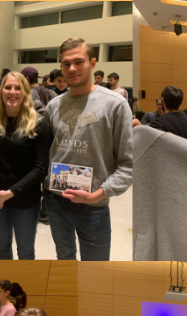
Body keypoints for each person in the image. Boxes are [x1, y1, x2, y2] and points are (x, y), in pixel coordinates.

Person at [42, 39, 134, 260]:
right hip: (55, 198)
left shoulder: (115, 105)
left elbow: (129, 164)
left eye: (78, 62)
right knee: (64, 258)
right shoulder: (53, 106)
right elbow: (47, 152)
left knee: (96, 266)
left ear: (92, 63)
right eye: (66, 64)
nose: (72, 69)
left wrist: (98, 195)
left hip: (93, 204)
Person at [0, 71, 51, 260]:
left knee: (25, 250)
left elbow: (40, 169)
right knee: (2, 244)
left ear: (25, 92)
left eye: (18, 88)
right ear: (1, 92)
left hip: (25, 199)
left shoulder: (38, 124)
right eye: (8, 87)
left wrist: (10, 192)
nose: (12, 92)